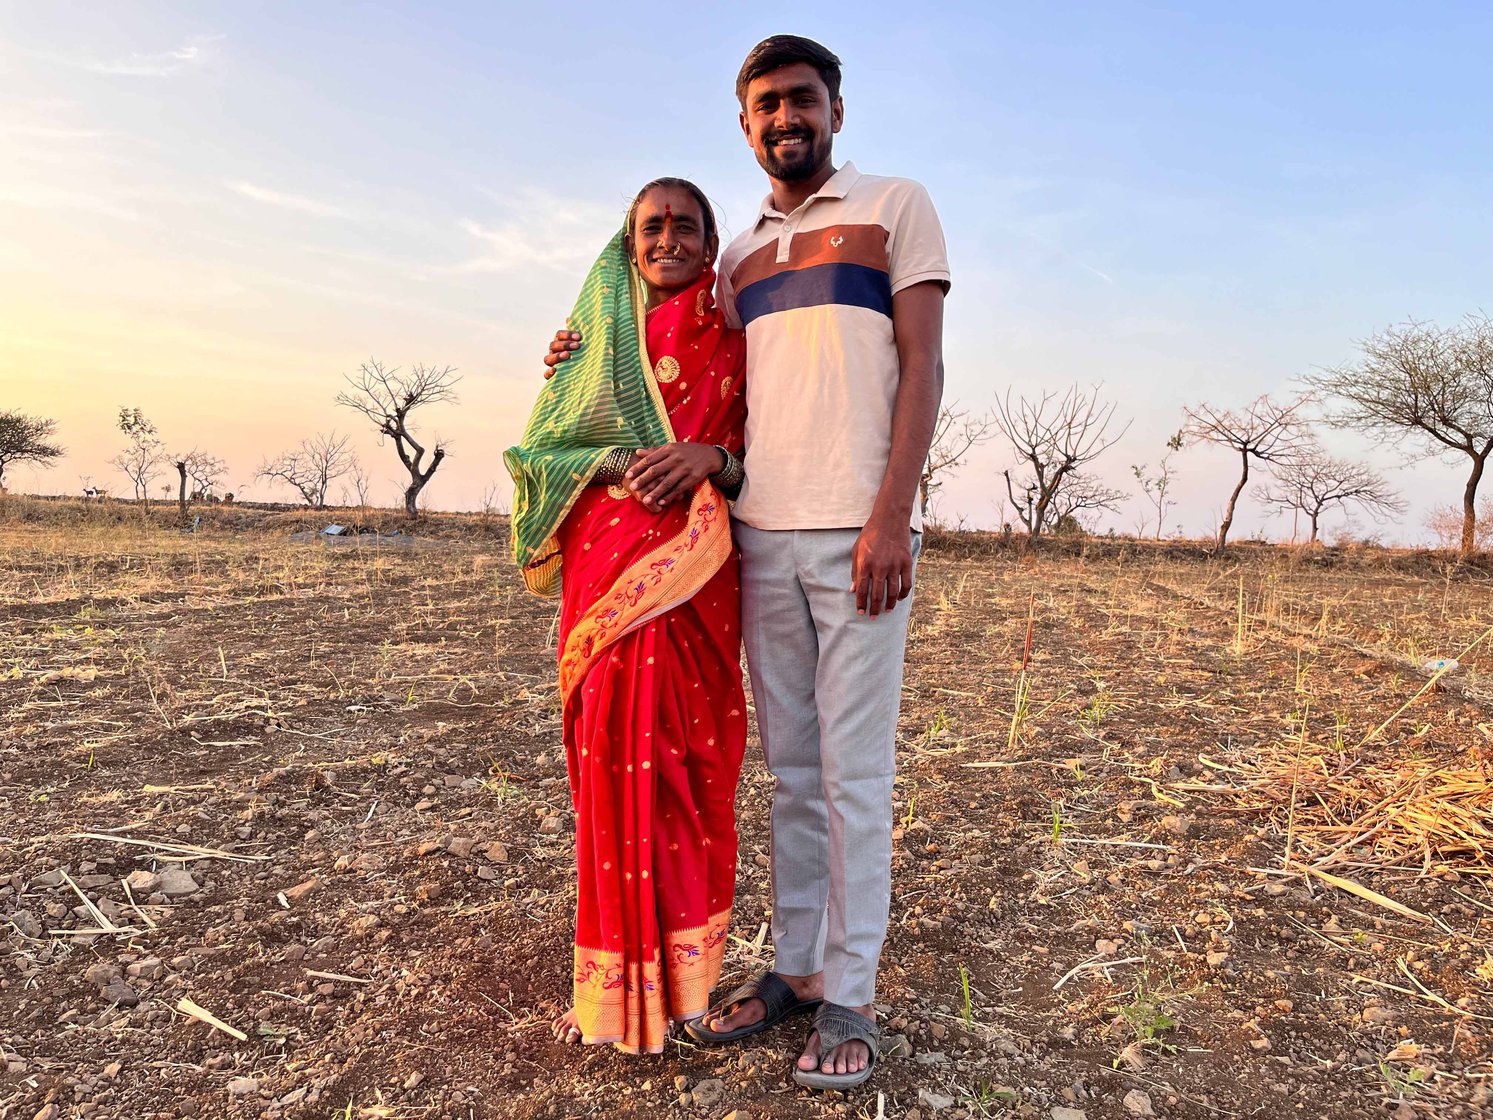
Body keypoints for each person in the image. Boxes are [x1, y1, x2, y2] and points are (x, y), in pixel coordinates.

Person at [547, 36, 948, 1090]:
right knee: (792, 774)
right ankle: (795, 969)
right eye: (767, 104)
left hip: (856, 534)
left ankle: (850, 992)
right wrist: (574, 347)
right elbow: (662, 356)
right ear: (744, 124)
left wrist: (889, 517)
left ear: (835, 110)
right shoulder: (736, 263)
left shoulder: (894, 207)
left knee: (855, 776)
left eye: (803, 100)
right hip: (756, 541)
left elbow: (923, 367)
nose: (786, 119)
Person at [506, 178, 749, 1055]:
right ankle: (609, 991)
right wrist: (608, 451)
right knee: (610, 764)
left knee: (686, 765)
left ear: (712, 239)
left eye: (686, 225)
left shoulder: (743, 333)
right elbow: (543, 453)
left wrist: (711, 458)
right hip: (605, 572)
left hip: (696, 577)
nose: (668, 239)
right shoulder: (591, 348)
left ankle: (687, 985)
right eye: (652, 227)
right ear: (627, 243)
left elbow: (774, 446)